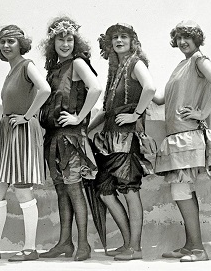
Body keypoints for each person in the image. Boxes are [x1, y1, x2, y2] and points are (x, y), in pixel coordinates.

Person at [0, 25, 51, 261]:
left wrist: (28, 116)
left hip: (23, 134)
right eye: (2, 42)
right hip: (8, 135)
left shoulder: (27, 66)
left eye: (11, 41)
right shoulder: (11, 71)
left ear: (20, 44)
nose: (6, 46)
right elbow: (6, 115)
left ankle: (30, 248)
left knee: (22, 189)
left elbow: (45, 90)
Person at [152, 20, 211, 262]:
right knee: (183, 189)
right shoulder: (182, 65)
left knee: (181, 188)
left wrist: (202, 113)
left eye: (188, 37)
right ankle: (190, 246)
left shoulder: (199, 60)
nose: (183, 41)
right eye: (180, 37)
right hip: (176, 136)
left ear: (197, 39)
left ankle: (198, 249)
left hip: (187, 136)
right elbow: (162, 99)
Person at [88, 23, 156, 261]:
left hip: (126, 138)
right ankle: (128, 242)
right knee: (105, 191)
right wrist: (84, 127)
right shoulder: (116, 68)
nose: (118, 40)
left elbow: (150, 88)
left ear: (132, 40)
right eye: (114, 37)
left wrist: (136, 114)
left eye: (123, 36)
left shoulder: (135, 63)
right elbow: (108, 110)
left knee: (129, 190)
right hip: (108, 139)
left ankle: (135, 248)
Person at [38, 17, 102, 261]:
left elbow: (95, 88)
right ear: (52, 42)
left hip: (71, 139)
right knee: (61, 192)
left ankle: (83, 244)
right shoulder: (54, 69)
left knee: (75, 191)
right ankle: (64, 243)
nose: (65, 44)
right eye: (60, 39)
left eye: (69, 39)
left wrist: (79, 118)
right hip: (53, 137)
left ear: (76, 42)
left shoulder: (77, 62)